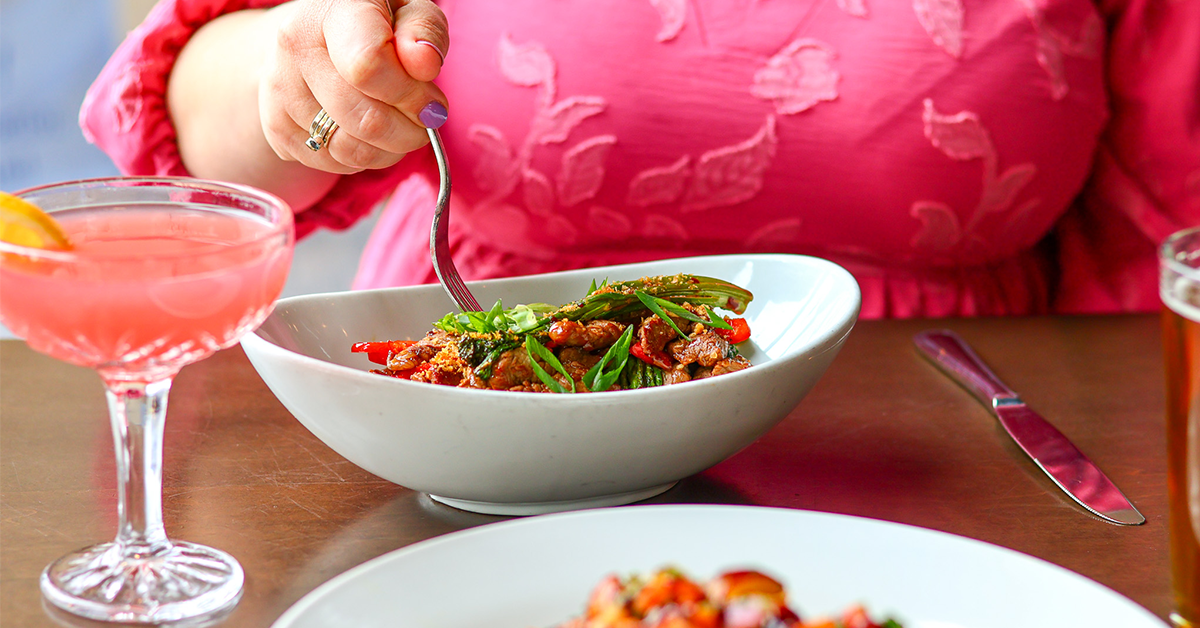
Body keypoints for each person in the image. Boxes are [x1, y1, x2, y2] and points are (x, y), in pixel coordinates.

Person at [80, 0, 1199, 318]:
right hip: (482, 420)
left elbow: (1172, 244)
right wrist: (298, 82)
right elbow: (204, 163)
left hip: (955, 433)